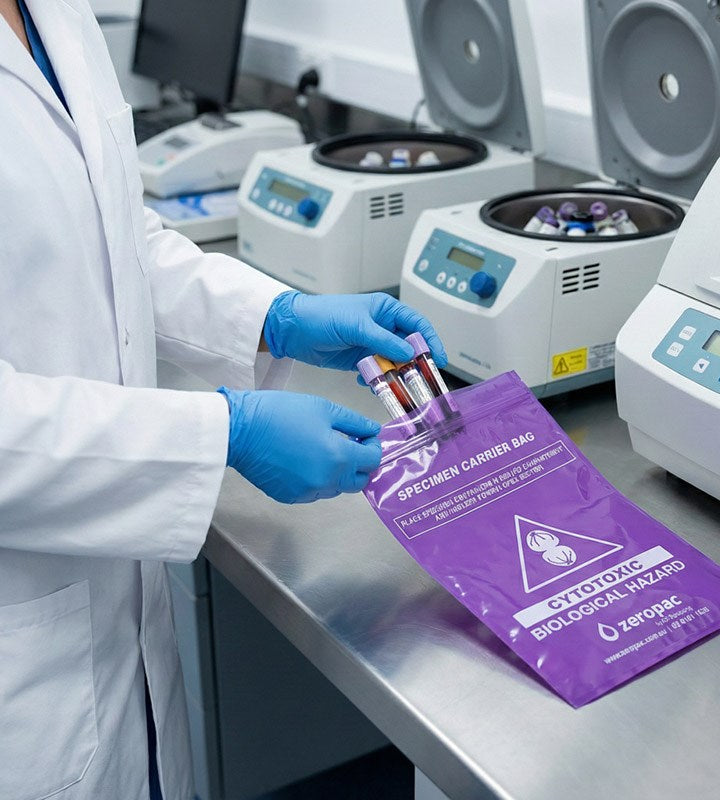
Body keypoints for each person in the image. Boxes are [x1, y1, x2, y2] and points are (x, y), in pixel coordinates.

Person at [0, 2, 446, 798]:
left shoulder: (55, 17)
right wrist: (222, 434)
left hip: (109, 634)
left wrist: (275, 319)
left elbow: (116, 236)